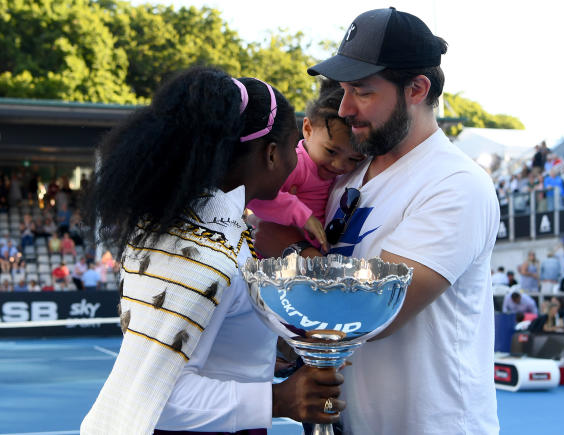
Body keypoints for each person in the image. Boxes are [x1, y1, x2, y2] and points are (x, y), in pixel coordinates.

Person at [258, 8, 500, 433]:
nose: (346, 108)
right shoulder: (344, 171)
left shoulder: (456, 184)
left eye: (363, 92)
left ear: (416, 89)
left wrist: (276, 313)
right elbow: (270, 232)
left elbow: (376, 310)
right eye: (344, 90)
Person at [81, 67, 345, 434]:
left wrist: (283, 353)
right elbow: (158, 398)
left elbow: (218, 346)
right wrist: (280, 400)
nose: (295, 159)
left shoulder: (197, 228)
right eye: (290, 147)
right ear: (271, 154)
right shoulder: (206, 250)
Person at [248, 79, 365, 252]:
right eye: (331, 151)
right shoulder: (295, 164)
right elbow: (255, 195)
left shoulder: (336, 175)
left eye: (354, 159)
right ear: (308, 129)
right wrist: (301, 214)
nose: (340, 165)